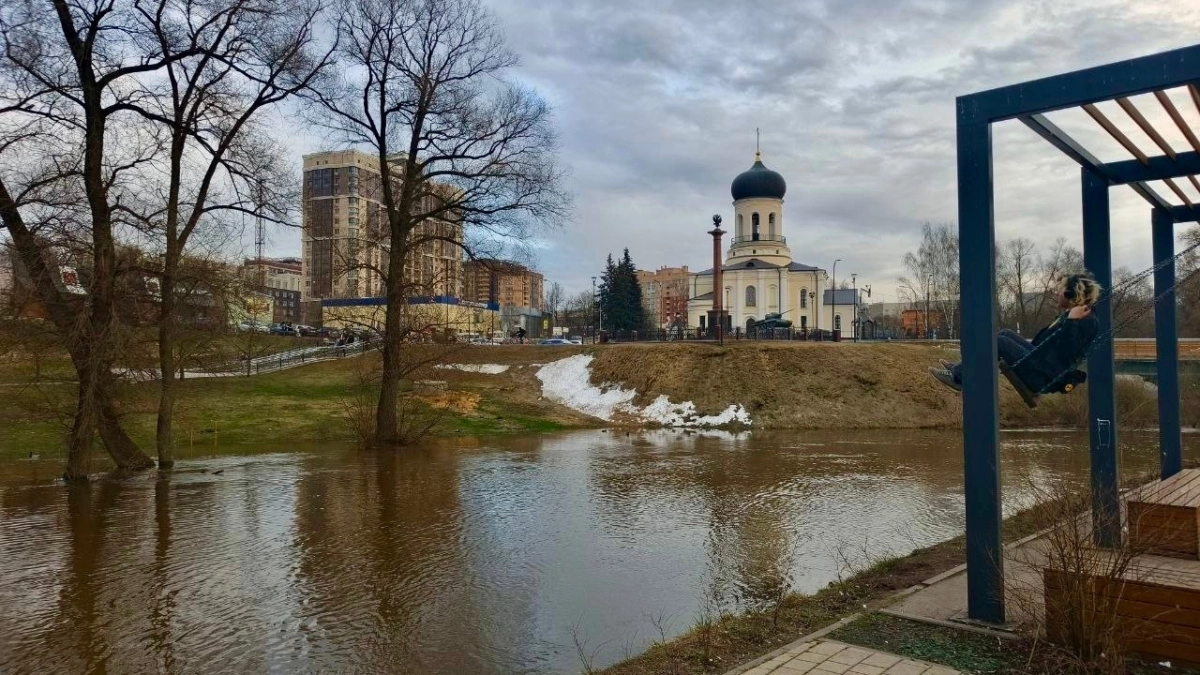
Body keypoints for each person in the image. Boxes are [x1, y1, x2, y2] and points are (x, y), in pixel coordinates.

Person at [930, 272, 1102, 393]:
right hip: (1042, 366)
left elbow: (1068, 352)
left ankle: (958, 378)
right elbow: (1042, 346)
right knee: (1005, 333)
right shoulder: (1077, 315)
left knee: (1000, 343)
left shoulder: (1084, 320)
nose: (1057, 293)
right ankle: (960, 368)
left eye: (1060, 289)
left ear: (1071, 293)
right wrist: (1069, 318)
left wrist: (1071, 321)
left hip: (1043, 376)